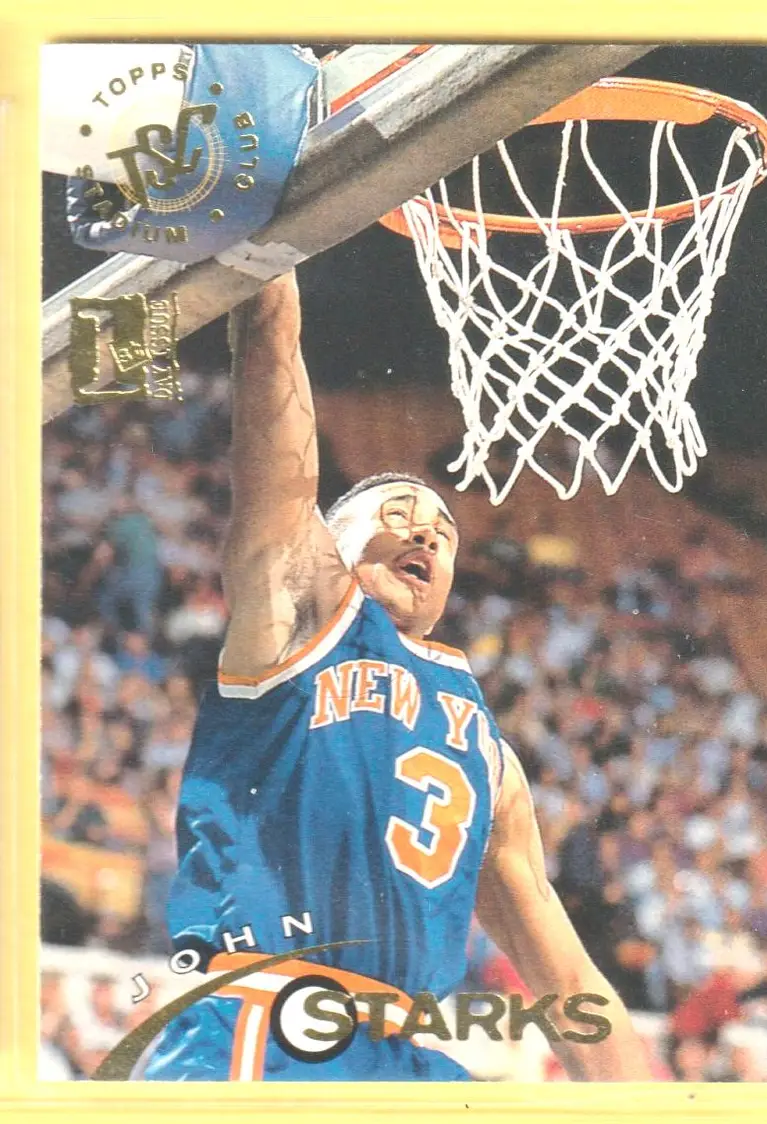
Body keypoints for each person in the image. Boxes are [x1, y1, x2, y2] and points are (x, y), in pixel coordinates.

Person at [143, 273, 651, 1082]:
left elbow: (568, 981)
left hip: (403, 1052)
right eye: (396, 513)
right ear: (327, 543)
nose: (425, 532)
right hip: (268, 1021)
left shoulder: (489, 756)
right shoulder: (301, 610)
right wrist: (271, 265)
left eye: (443, 532)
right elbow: (274, 403)